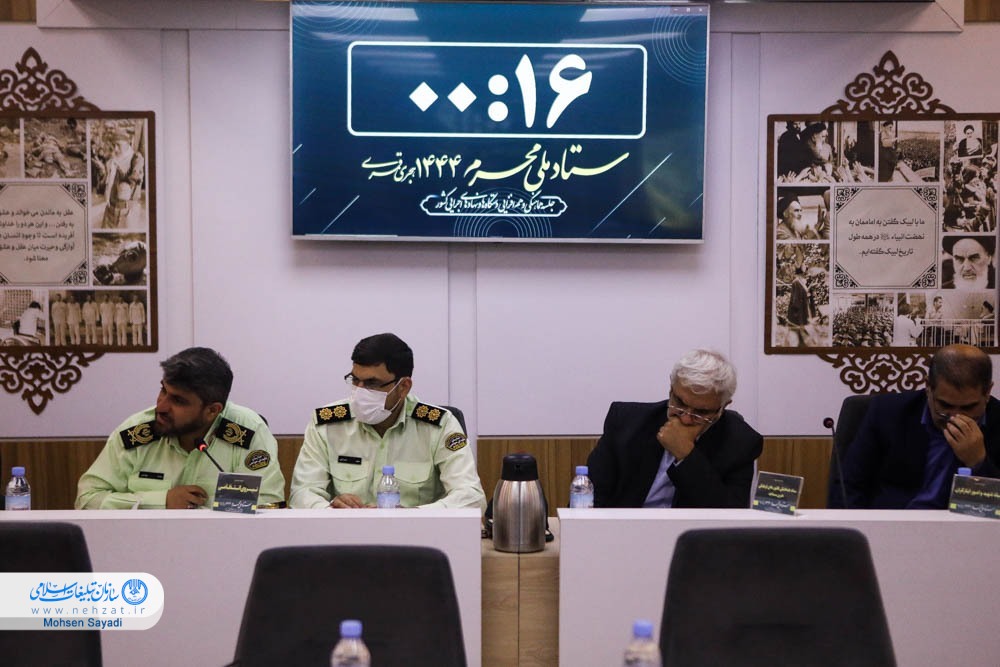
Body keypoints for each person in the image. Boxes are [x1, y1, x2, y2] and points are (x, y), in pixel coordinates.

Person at [289, 333, 486, 510]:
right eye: (355, 380)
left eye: (372, 383)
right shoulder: (327, 423)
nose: (360, 391)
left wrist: (412, 516)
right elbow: (302, 493)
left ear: (403, 387)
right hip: (344, 534)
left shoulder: (439, 425)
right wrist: (330, 510)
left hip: (416, 536)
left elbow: (471, 496)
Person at [75, 347, 285, 509]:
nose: (161, 407)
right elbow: (87, 500)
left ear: (212, 410)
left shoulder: (248, 432)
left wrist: (198, 513)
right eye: (163, 390)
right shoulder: (136, 433)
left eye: (178, 400)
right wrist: (162, 501)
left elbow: (268, 507)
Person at [586, 349, 763, 508]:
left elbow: (730, 515)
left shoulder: (742, 442)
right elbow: (591, 499)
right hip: (623, 528)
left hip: (692, 533)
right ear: (671, 390)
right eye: (680, 403)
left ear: (723, 407)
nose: (685, 418)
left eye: (701, 412)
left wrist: (686, 455)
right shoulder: (626, 421)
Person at [837, 344, 1000, 509]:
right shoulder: (888, 412)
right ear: (928, 387)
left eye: (968, 407)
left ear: (987, 393)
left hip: (966, 522)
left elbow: (992, 509)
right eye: (945, 405)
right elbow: (848, 486)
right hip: (896, 518)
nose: (955, 417)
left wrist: (978, 462)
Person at [101, 134, 145, 228]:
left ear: (127, 143)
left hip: (128, 212)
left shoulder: (136, 158)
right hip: (110, 211)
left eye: (118, 145)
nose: (115, 149)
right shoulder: (113, 160)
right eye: (114, 145)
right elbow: (105, 185)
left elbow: (135, 177)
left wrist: (126, 183)